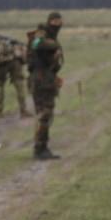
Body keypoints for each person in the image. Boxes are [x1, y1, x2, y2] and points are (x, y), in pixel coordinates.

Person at [28, 12, 65, 160]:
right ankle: (39, 148)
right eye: (55, 21)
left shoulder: (51, 35)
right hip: (40, 80)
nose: (58, 24)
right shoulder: (41, 34)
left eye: (59, 21)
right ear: (49, 21)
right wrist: (54, 45)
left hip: (47, 78)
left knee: (46, 114)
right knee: (45, 114)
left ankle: (42, 146)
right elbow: (37, 44)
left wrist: (54, 77)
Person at [0, 33, 30, 117]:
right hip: (15, 64)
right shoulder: (14, 44)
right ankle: (23, 111)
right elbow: (24, 59)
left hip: (2, 66)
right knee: (19, 86)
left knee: (0, 87)